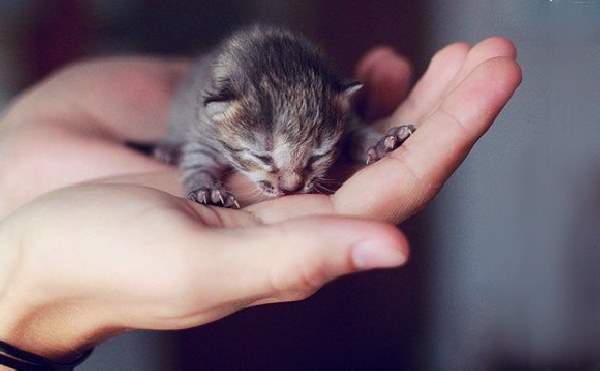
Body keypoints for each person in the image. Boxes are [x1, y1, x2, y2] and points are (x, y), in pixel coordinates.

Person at [0, 37, 520, 366]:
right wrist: (198, 177)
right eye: (266, 161)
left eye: (313, 156)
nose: (291, 183)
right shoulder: (216, 108)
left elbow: (350, 127)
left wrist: (366, 143)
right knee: (191, 149)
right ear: (221, 112)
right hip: (197, 111)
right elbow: (201, 157)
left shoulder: (328, 101)